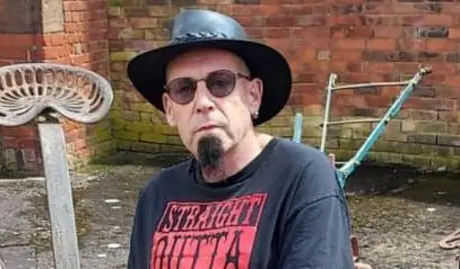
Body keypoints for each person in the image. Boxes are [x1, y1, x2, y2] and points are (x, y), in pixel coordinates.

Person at [125, 9, 356, 269]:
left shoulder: (302, 178)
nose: (202, 103)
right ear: (169, 108)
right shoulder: (157, 194)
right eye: (184, 89)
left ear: (253, 95)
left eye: (220, 83)